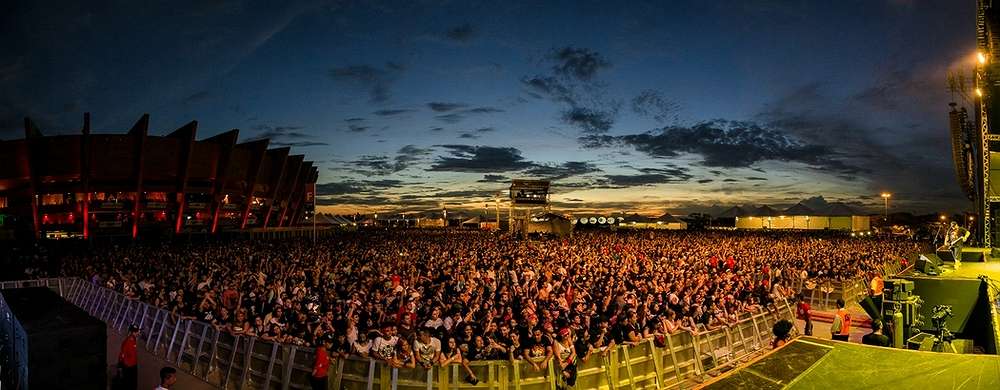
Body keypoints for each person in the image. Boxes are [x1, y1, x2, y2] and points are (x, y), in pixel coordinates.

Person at [118, 325, 140, 390]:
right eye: (135, 332)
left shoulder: (134, 339)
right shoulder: (127, 342)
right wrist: (120, 367)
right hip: (128, 367)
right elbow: (122, 355)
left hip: (133, 365)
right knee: (128, 384)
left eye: (137, 331)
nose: (137, 333)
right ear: (131, 332)